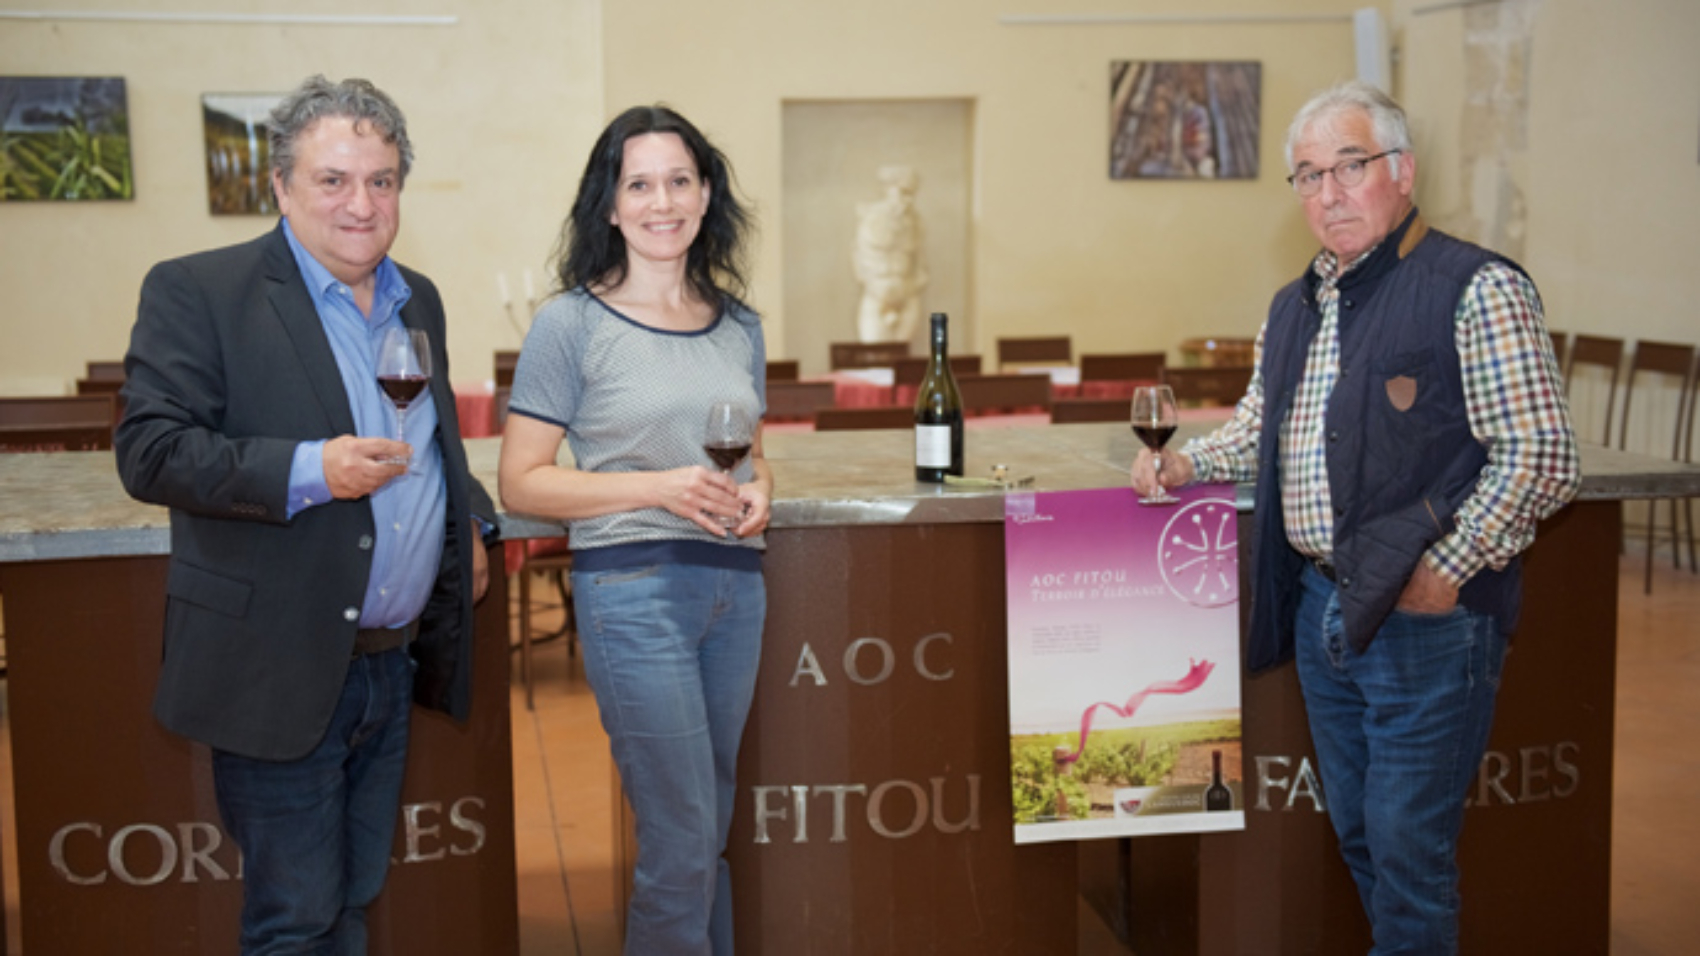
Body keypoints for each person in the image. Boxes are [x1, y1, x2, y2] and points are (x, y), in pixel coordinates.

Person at [1132, 80, 1580, 953]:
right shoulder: (1295, 304)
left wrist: (1447, 569)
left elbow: (1542, 455)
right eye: (1306, 175)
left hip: (1426, 621)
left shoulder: (1475, 286)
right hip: (1320, 609)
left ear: (1402, 172)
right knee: (1363, 837)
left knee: (1412, 856)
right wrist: (1186, 462)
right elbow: (1265, 428)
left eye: (1350, 166)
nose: (1328, 193)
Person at [115, 75, 494, 954]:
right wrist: (309, 469)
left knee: (352, 900)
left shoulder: (418, 297)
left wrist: (468, 519)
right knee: (294, 919)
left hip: (388, 668)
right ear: (281, 186)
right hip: (277, 661)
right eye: (333, 180)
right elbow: (152, 452)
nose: (361, 204)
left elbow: (427, 446)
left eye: (382, 180)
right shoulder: (199, 290)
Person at [498, 105, 770, 955]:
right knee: (683, 837)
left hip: (737, 590)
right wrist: (659, 486)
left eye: (679, 181)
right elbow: (520, 481)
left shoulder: (741, 324)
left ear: (706, 193)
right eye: (639, 183)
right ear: (610, 206)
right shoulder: (569, 325)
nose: (662, 201)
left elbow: (755, 458)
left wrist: (765, 490)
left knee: (709, 832)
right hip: (633, 592)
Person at [853, 163, 928, 343]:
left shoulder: (915, 222)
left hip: (907, 295)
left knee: (903, 360)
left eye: (911, 193)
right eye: (903, 192)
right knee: (875, 355)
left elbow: (919, 261)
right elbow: (867, 252)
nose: (908, 199)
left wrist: (916, 282)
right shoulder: (872, 218)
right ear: (889, 189)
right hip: (878, 295)